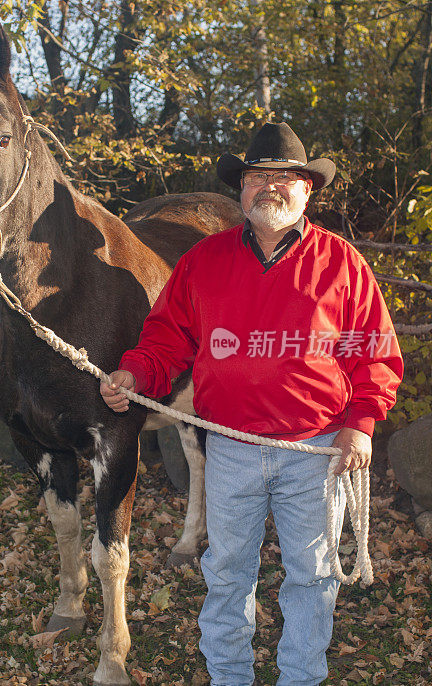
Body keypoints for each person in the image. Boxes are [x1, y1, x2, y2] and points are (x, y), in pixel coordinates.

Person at [100, 121, 403, 685]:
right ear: (240, 189)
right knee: (227, 574)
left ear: (308, 189)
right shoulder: (203, 262)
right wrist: (135, 373)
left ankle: (301, 678)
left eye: (286, 177)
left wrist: (361, 423)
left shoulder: (342, 265)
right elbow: (167, 337)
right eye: (259, 176)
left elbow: (376, 352)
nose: (272, 186)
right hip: (233, 450)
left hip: (314, 452)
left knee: (312, 575)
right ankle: (229, 678)